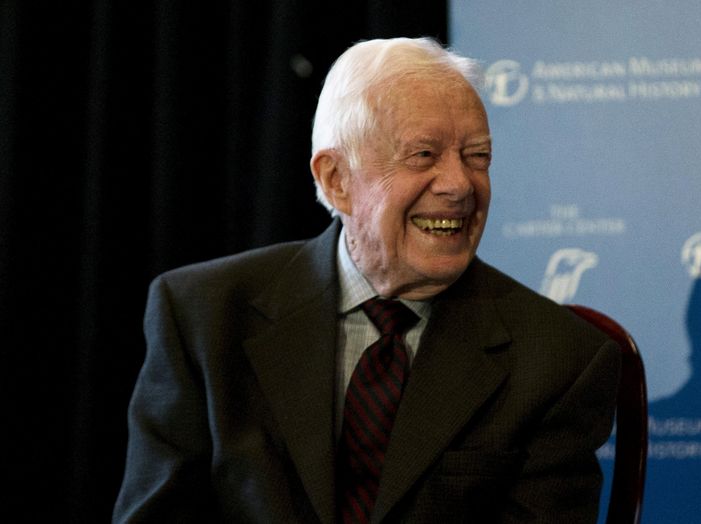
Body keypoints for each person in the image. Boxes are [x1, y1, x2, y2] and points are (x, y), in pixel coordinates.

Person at [113, 37, 620, 523]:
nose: (460, 185)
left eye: (477, 157)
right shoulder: (202, 317)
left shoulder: (558, 358)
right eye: (423, 155)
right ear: (336, 180)